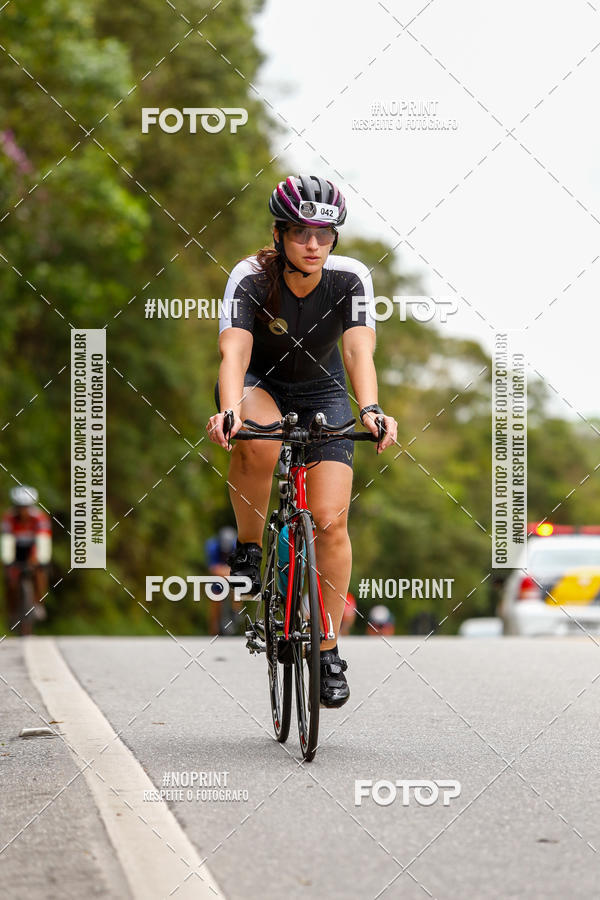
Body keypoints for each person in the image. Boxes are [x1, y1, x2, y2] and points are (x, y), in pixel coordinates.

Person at [206, 174, 398, 708]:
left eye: (324, 233)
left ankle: (328, 649)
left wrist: (372, 409)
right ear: (279, 234)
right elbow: (234, 354)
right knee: (259, 439)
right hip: (258, 385)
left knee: (331, 520)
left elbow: (360, 352)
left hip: (325, 391)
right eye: (300, 233)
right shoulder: (249, 278)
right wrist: (228, 410)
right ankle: (249, 549)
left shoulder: (350, 278)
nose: (313, 245)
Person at [1, 486, 52, 630]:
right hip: (15, 550)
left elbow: (43, 542)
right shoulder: (8, 518)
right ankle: (11, 611)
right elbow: (6, 543)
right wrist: (8, 561)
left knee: (40, 572)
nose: (22, 510)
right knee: (9, 579)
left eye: (26, 507)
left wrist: (38, 560)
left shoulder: (40, 518)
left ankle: (38, 603)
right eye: (19, 507)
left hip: (33, 549)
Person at [204, 526, 238, 635]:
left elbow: (239, 569)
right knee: (215, 598)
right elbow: (213, 569)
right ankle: (213, 629)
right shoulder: (212, 546)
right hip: (218, 577)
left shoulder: (237, 547)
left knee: (239, 588)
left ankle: (235, 611)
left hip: (231, 574)